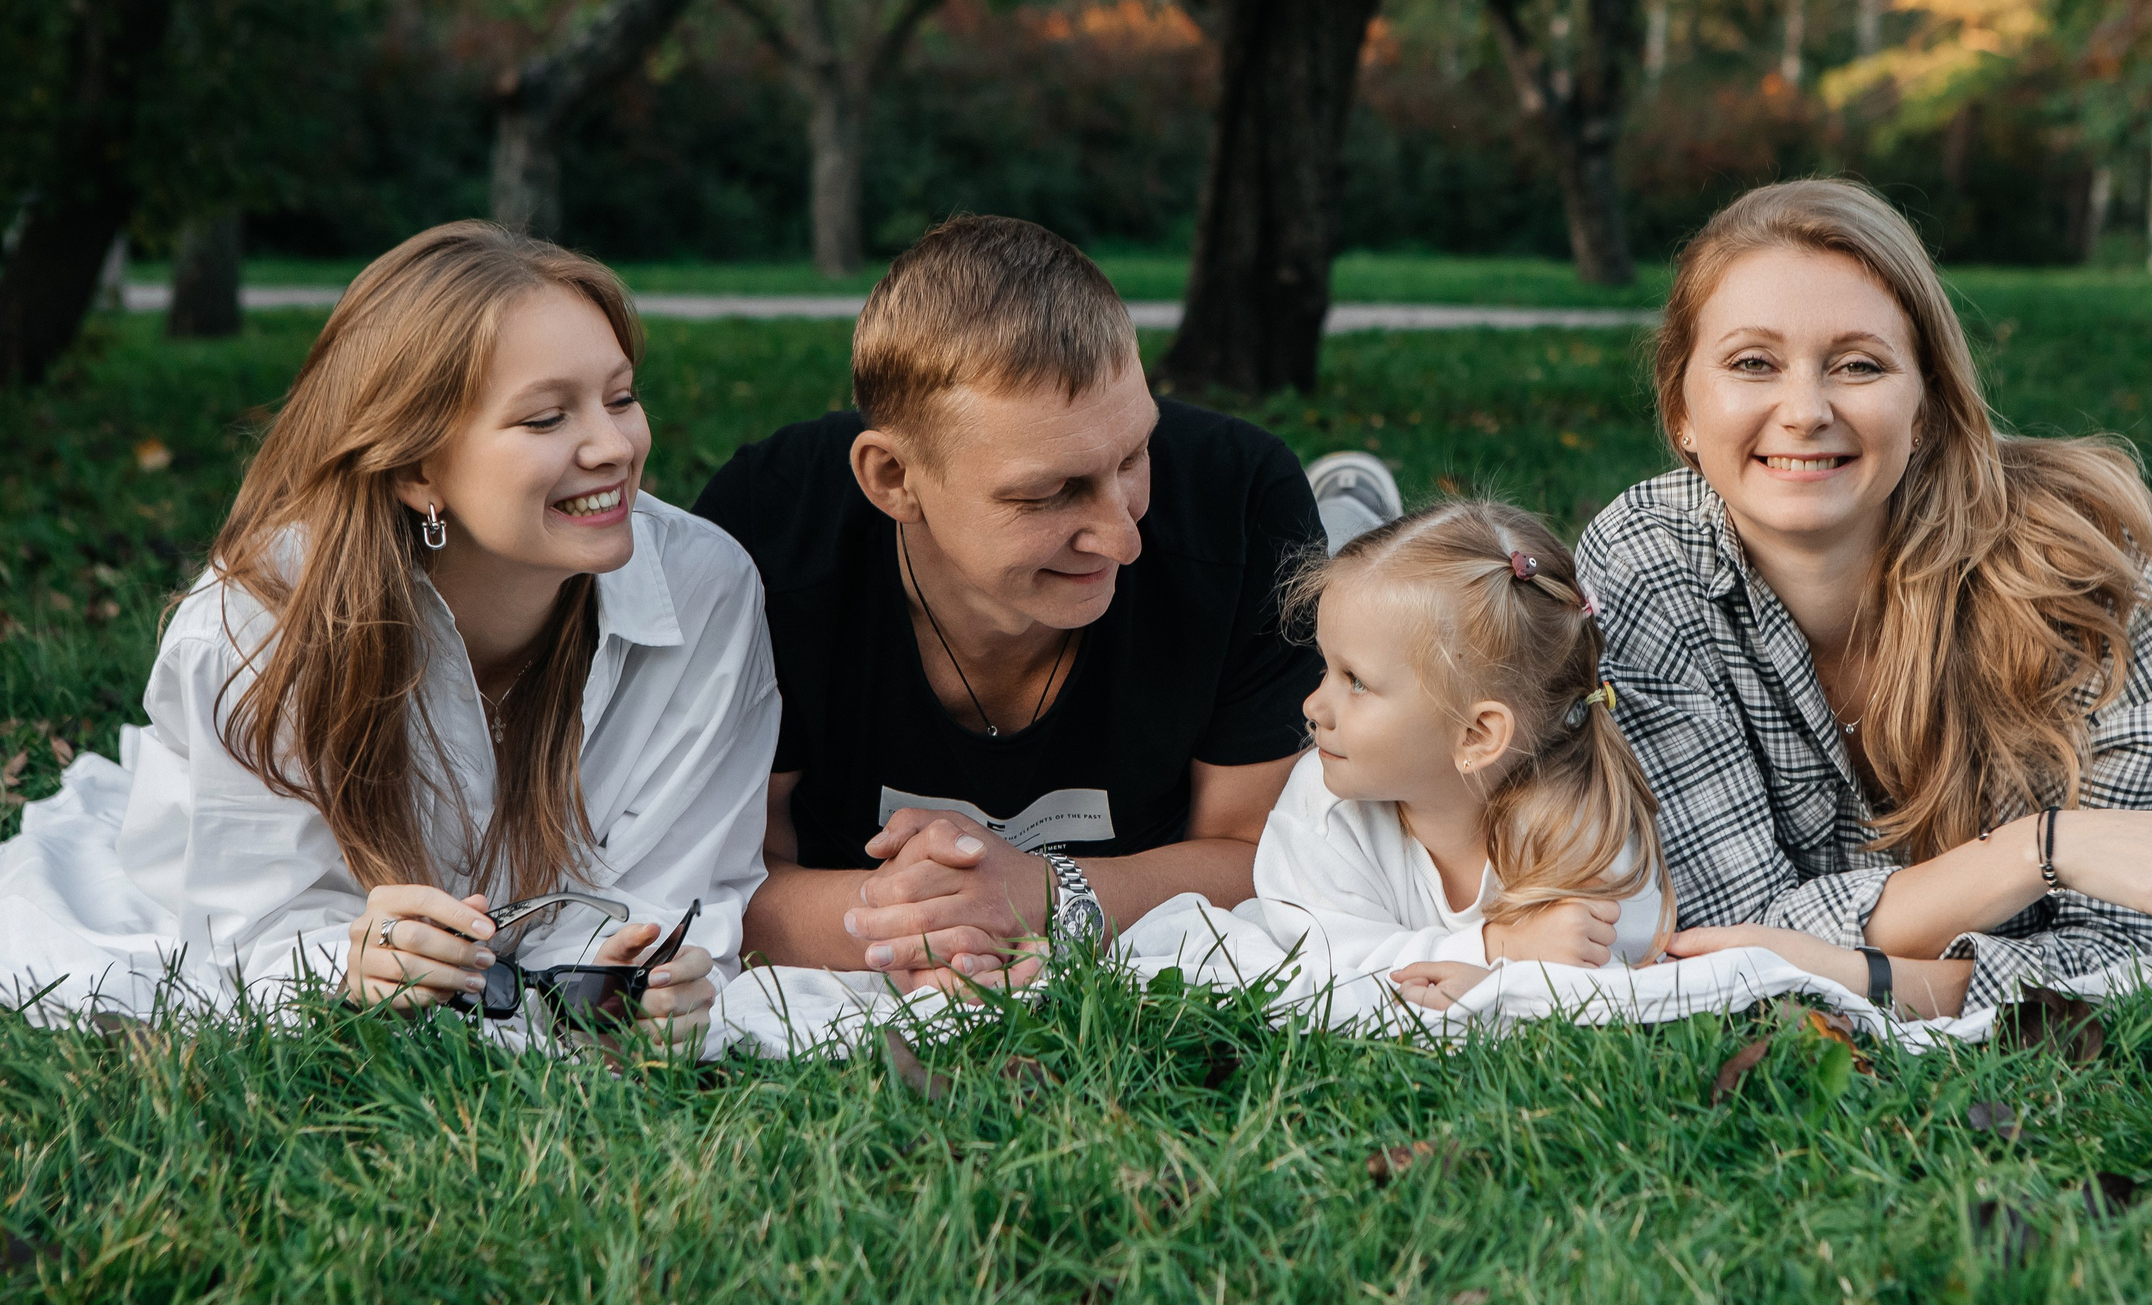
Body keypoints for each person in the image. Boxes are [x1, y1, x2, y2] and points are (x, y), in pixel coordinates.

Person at [0, 222, 776, 1035]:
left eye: (621, 397)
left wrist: (641, 975)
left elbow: (676, 889)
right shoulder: (257, 626)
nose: (615, 445)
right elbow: (252, 928)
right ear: (416, 468)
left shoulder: (706, 590)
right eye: (547, 418)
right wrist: (349, 960)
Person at [1576, 178, 2152, 1019]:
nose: (1804, 411)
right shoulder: (1645, 563)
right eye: (1752, 363)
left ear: (1928, 408)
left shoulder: (2080, 574)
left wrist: (1846, 968)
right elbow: (1722, 932)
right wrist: (2040, 853)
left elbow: (2150, 948)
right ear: (1682, 409)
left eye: (1859, 365)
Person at [693, 215, 1397, 992]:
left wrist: (1045, 896)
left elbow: (1266, 859)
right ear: (893, 480)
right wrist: (920, 922)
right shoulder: (764, 537)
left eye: (1134, 456)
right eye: (1049, 493)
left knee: (1358, 601)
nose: (1121, 538)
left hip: (1273, 555)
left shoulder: (1237, 499)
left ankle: (1350, 520)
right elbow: (720, 875)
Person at [1114, 499, 1670, 1020]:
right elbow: (1329, 960)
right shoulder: (1322, 804)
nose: (1313, 705)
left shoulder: (1580, 827)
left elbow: (1616, 971)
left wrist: (1509, 973)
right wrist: (1496, 950)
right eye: (1325, 668)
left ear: (1476, 734)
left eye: (1355, 682)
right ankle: (1343, 507)